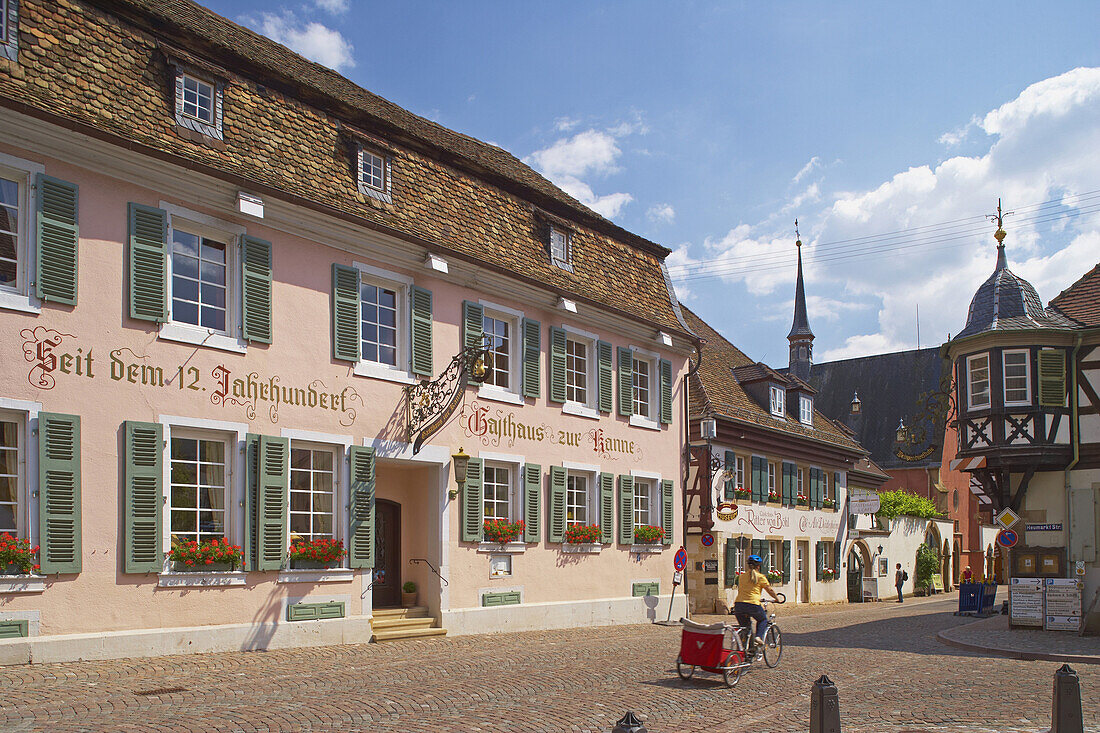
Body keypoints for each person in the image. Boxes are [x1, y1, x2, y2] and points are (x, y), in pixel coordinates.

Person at [731, 554, 780, 647]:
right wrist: (777, 599)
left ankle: (746, 649)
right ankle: (758, 637)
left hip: (739, 605)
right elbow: (769, 590)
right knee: (762, 620)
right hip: (753, 604)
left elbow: (744, 590)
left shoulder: (741, 577)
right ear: (759, 566)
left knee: (745, 627)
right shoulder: (760, 577)